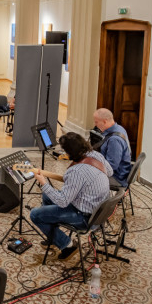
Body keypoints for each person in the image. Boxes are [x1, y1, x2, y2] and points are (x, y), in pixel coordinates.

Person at [29, 132, 113, 260]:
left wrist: (43, 183)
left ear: (70, 152)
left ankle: (67, 245)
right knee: (47, 196)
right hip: (98, 211)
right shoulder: (96, 155)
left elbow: (63, 201)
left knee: (35, 215)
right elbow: (110, 172)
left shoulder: (76, 171)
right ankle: (53, 236)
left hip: (85, 218)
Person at [93, 108, 132, 187]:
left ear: (104, 121)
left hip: (116, 177)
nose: (95, 125)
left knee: (83, 176)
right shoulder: (119, 128)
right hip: (118, 172)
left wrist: (92, 167)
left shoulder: (114, 140)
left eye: (96, 122)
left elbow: (111, 166)